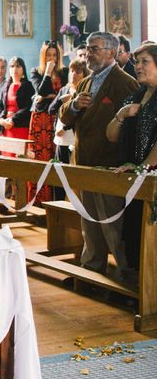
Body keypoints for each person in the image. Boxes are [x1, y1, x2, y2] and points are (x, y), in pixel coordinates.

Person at [60, 32, 139, 280]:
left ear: (111, 53)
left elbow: (131, 129)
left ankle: (128, 277)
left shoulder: (124, 83)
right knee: (89, 224)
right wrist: (74, 106)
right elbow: (65, 117)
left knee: (113, 228)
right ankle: (91, 272)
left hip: (108, 167)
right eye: (88, 48)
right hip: (84, 164)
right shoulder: (86, 82)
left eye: (94, 49)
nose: (89, 54)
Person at [106, 42, 157, 274]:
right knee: (135, 235)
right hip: (134, 176)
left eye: (145, 62)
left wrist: (141, 168)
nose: (138, 66)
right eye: (136, 62)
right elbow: (111, 136)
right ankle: (139, 288)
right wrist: (121, 114)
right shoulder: (135, 95)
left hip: (148, 176)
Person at [28, 40, 67, 204]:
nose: (52, 58)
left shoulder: (65, 72)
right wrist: (48, 73)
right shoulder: (35, 71)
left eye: (54, 55)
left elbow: (64, 93)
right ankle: (39, 201)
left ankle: (56, 201)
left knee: (56, 157)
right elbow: (42, 91)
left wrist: (50, 97)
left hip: (58, 118)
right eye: (48, 55)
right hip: (40, 121)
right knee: (41, 158)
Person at [49, 59, 89, 165]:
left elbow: (81, 115)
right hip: (60, 137)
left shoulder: (84, 92)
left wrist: (64, 128)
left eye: (78, 71)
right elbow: (51, 109)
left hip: (74, 138)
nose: (73, 74)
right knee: (58, 168)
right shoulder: (64, 90)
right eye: (71, 71)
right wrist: (60, 100)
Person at [0, 56, 34, 157]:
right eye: (12, 66)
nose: (15, 69)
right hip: (6, 128)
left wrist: (13, 120)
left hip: (20, 127)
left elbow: (29, 107)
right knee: (6, 159)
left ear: (23, 69)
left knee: (19, 160)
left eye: (18, 66)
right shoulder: (4, 85)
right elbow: (0, 107)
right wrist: (1, 120)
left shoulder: (28, 85)